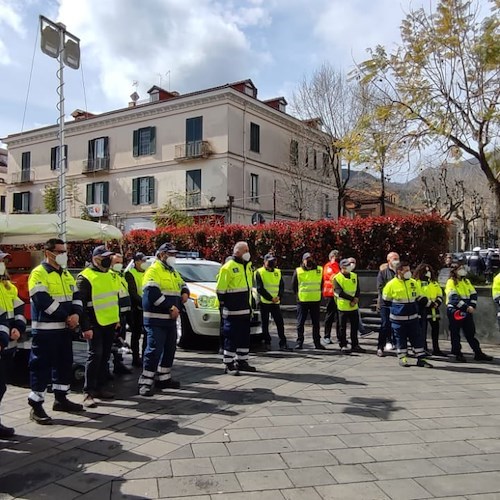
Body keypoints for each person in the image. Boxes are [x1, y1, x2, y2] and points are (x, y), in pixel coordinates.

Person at [28, 238, 83, 424]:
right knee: (41, 367)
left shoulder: (66, 274)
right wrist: (66, 317)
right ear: (48, 253)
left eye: (64, 251)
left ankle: (61, 399)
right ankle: (36, 406)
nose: (63, 255)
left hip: (64, 331)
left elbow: (76, 297)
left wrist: (76, 314)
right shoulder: (38, 273)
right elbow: (41, 300)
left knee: (64, 364)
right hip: (45, 332)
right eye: (59, 252)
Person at [139, 242, 189, 396]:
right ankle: (146, 382)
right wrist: (170, 307)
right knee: (154, 350)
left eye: (174, 254)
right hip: (156, 319)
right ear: (161, 255)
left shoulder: (172, 271)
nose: (173, 257)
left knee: (169, 350)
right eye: (170, 254)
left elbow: (182, 284)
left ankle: (164, 379)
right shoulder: (153, 270)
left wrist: (185, 292)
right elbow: (152, 294)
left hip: (170, 320)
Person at [77, 246, 121, 408]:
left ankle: (100, 387)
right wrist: (85, 326)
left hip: (109, 322)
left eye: (109, 256)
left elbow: (114, 299)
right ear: (95, 259)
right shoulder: (85, 277)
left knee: (105, 356)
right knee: (95, 355)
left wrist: (117, 319)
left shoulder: (111, 275)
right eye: (105, 257)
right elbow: (80, 305)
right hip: (94, 323)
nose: (109, 259)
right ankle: (88, 392)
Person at [382, 261, 433, 368]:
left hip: (413, 317)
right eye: (406, 270)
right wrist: (398, 309)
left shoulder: (413, 282)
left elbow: (419, 296)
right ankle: (402, 357)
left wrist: (428, 303)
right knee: (401, 338)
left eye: (409, 270)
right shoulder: (391, 284)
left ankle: (421, 359)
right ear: (399, 271)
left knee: (417, 338)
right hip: (398, 319)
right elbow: (386, 300)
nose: (409, 272)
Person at [216, 241, 256, 375]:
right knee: (231, 337)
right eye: (246, 250)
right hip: (232, 311)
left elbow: (249, 289)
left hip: (245, 310)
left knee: (244, 337)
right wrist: (222, 307)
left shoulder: (247, 267)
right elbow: (220, 290)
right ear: (238, 252)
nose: (248, 253)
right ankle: (228, 363)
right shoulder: (228, 267)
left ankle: (242, 361)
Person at [445, 259, 493, 362]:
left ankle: (478, 353)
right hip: (455, 310)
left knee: (470, 333)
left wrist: (472, 306)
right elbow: (453, 298)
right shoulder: (451, 282)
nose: (463, 271)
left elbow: (473, 294)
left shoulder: (466, 281)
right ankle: (456, 353)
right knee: (455, 333)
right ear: (455, 271)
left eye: (463, 268)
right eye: (460, 269)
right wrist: (466, 307)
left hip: (467, 310)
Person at [0, 251, 25, 437]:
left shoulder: (8, 286)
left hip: (7, 346)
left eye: (3, 261)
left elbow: (18, 310)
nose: (3, 264)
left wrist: (18, 327)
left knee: (1, 387)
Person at [255, 253, 289, 351]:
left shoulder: (278, 272)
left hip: (276, 302)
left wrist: (279, 296)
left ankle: (283, 342)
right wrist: (271, 298)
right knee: (265, 323)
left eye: (273, 261)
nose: (271, 263)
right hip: (265, 302)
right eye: (269, 261)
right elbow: (260, 288)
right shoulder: (259, 272)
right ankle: (267, 342)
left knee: (280, 323)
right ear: (264, 262)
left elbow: (281, 286)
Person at [292, 252, 325, 350]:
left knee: (316, 324)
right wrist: (298, 297)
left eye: (310, 258)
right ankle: (299, 342)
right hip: (303, 301)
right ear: (303, 261)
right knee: (300, 323)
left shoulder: (319, 269)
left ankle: (317, 343)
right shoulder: (298, 271)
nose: (309, 261)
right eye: (307, 259)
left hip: (315, 300)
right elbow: (294, 286)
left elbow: (322, 283)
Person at [334, 259, 365, 353]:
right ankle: (343, 345)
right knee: (342, 327)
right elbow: (339, 292)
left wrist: (356, 298)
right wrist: (352, 299)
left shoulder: (354, 276)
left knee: (354, 327)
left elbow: (357, 289)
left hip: (353, 306)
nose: (350, 267)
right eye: (347, 265)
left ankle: (355, 344)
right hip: (343, 306)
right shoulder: (337, 278)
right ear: (342, 267)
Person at [413, 263, 444, 356]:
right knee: (422, 330)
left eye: (429, 270)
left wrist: (437, 303)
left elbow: (440, 294)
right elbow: (418, 295)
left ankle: (436, 349)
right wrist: (430, 304)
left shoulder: (434, 283)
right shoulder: (417, 282)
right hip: (423, 309)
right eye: (426, 271)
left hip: (434, 310)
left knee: (435, 330)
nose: (428, 272)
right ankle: (423, 348)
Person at [109, 253, 132, 375]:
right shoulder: (110, 276)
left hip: (123, 314)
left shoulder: (120, 275)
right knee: (112, 342)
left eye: (121, 262)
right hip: (114, 316)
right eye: (116, 262)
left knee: (120, 341)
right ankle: (106, 368)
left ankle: (119, 363)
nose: (119, 264)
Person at [125, 252, 148, 367]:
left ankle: (145, 357)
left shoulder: (148, 273)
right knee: (136, 334)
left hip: (147, 308)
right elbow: (133, 293)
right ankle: (135, 358)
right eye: (142, 261)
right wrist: (144, 303)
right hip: (136, 309)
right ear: (136, 262)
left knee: (147, 335)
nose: (144, 263)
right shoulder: (130, 274)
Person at [376, 252, 399, 357]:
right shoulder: (383, 273)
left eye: (397, 258)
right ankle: (380, 347)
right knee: (385, 325)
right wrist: (390, 296)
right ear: (388, 260)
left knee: (397, 325)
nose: (396, 260)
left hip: (398, 303)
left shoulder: (400, 273)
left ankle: (398, 345)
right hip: (386, 303)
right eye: (394, 258)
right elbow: (380, 287)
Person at [322, 250, 341, 345]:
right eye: (336, 256)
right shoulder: (328, 266)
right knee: (330, 315)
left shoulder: (338, 266)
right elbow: (334, 277)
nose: (337, 257)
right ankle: (326, 336)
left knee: (339, 316)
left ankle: (340, 336)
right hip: (330, 294)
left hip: (338, 294)